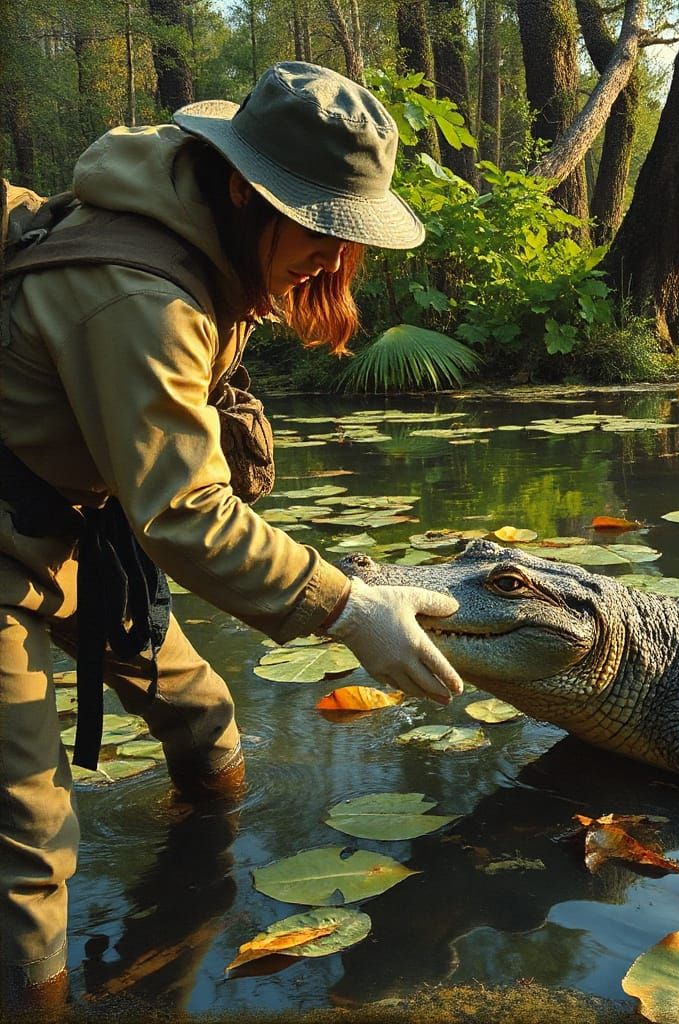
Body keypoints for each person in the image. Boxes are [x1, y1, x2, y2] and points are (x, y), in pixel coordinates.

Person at [0, 61, 463, 1015]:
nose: (333, 260)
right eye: (321, 228)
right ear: (251, 190)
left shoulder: (202, 230)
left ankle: (182, 924)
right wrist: (348, 607)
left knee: (204, 715)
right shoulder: (141, 296)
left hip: (74, 529)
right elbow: (185, 514)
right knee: (28, 851)